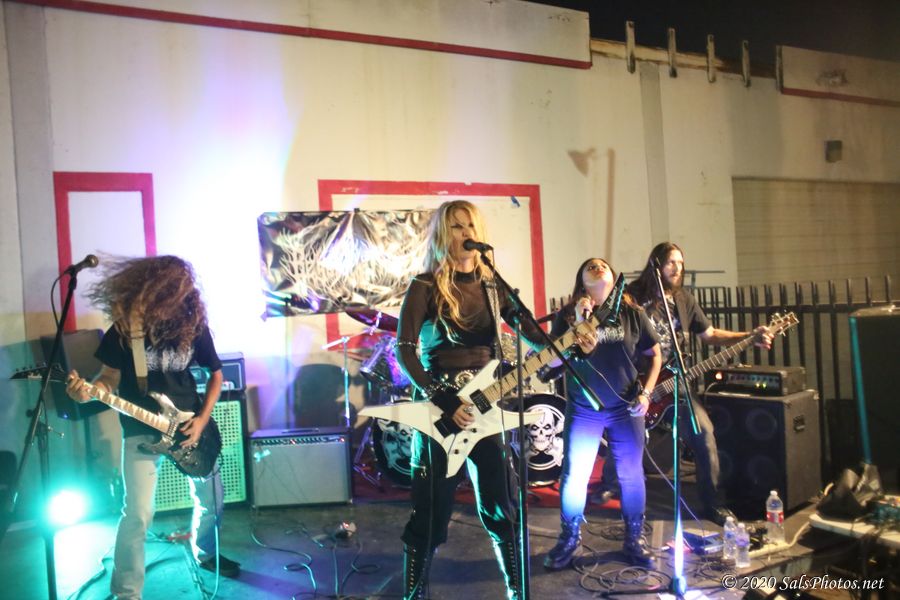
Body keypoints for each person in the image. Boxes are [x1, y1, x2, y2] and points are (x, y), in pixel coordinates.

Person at [393, 200, 546, 600]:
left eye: (470, 226)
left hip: (485, 408)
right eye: (456, 227)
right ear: (443, 235)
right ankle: (415, 594)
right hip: (439, 410)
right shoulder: (425, 286)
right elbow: (404, 351)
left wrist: (572, 341)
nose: (464, 234)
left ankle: (517, 590)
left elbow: (534, 334)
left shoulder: (493, 287)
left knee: (501, 505)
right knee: (431, 512)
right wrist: (443, 398)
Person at [65, 256, 239, 600]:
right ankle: (127, 593)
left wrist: (202, 420)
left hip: (189, 426)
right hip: (141, 428)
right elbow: (109, 377)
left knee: (212, 499)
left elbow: (216, 375)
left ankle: (204, 551)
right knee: (138, 513)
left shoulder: (194, 325)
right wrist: (90, 392)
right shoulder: (125, 329)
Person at [621, 241, 773, 525]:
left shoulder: (684, 301)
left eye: (681, 262)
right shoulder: (633, 296)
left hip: (676, 384)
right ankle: (609, 486)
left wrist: (749, 336)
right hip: (638, 383)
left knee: (704, 434)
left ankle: (712, 504)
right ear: (656, 264)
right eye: (671, 262)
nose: (677, 268)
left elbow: (709, 334)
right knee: (625, 435)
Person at [542, 258, 662, 570]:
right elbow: (550, 362)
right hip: (584, 408)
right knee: (574, 476)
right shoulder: (568, 315)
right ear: (581, 280)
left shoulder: (633, 314)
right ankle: (569, 538)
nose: (597, 267)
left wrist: (647, 393)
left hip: (626, 406)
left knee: (631, 474)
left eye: (602, 265)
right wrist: (575, 327)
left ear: (612, 276)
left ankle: (634, 538)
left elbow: (655, 355)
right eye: (590, 266)